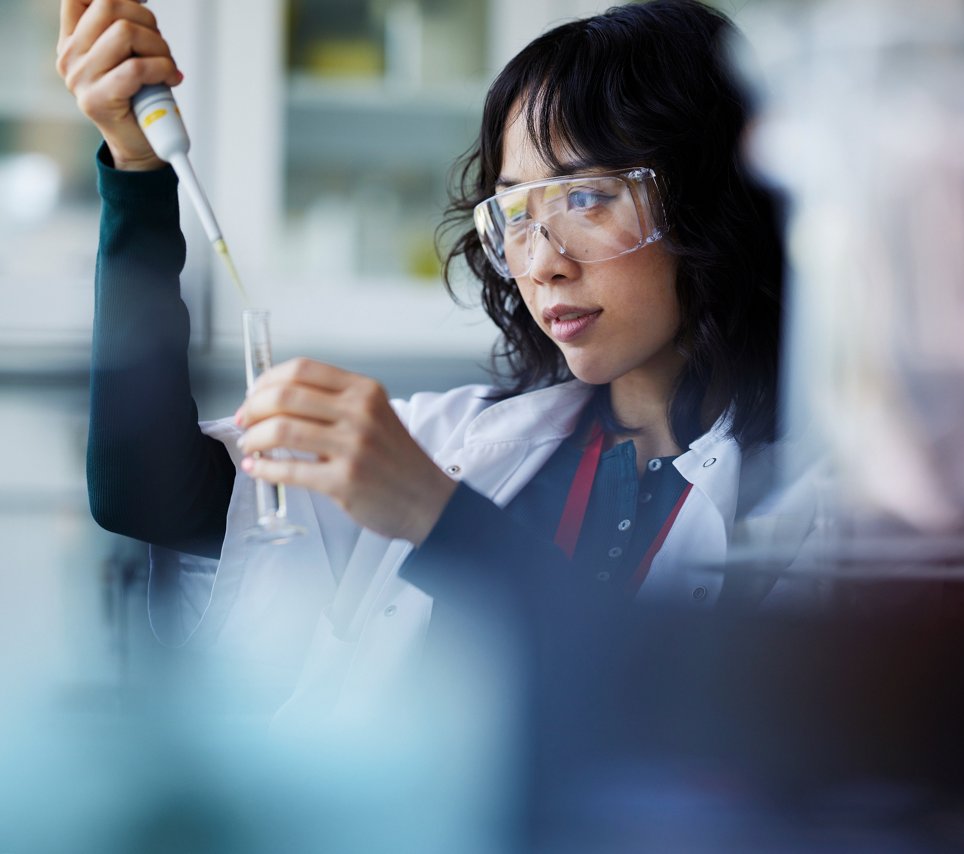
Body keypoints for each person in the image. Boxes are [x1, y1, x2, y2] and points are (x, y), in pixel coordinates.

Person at [56, 0, 817, 721]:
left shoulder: (820, 510)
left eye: (586, 197)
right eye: (517, 209)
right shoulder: (453, 444)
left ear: (715, 202)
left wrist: (436, 517)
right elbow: (141, 489)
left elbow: (674, 718)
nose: (543, 261)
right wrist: (136, 167)